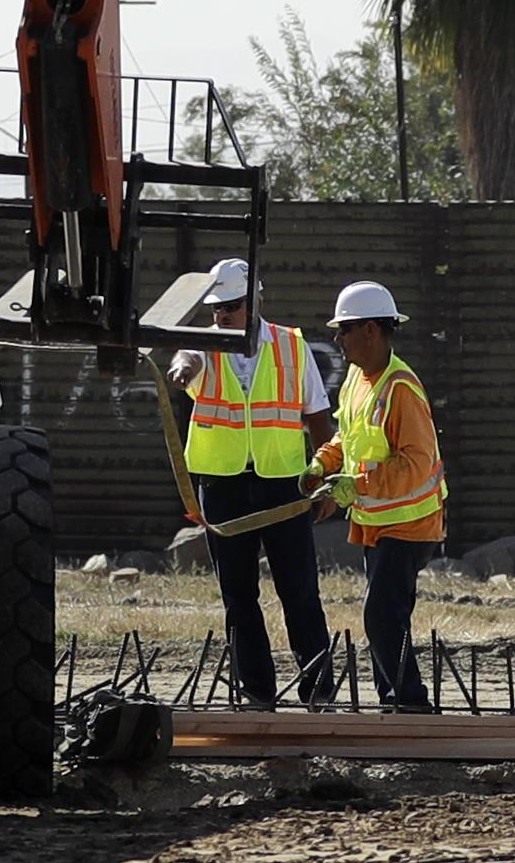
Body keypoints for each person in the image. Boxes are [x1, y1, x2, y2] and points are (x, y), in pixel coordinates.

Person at [166, 257, 336, 709]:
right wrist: (180, 370)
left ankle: (317, 689)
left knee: (299, 591)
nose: (223, 316)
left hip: (283, 485)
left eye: (233, 307)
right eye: (217, 308)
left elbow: (317, 414)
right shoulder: (204, 345)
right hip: (223, 487)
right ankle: (256, 690)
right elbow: (186, 356)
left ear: (256, 301)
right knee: (239, 597)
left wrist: (327, 477)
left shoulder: (290, 346)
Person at [306, 279, 447, 712]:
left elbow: (415, 464)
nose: (337, 339)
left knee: (382, 616)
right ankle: (396, 701)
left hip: (410, 520)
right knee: (385, 617)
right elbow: (349, 437)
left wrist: (356, 485)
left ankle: (411, 703)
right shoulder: (357, 379)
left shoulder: (400, 388)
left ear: (370, 330)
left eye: (344, 330)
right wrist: (322, 465)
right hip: (377, 520)